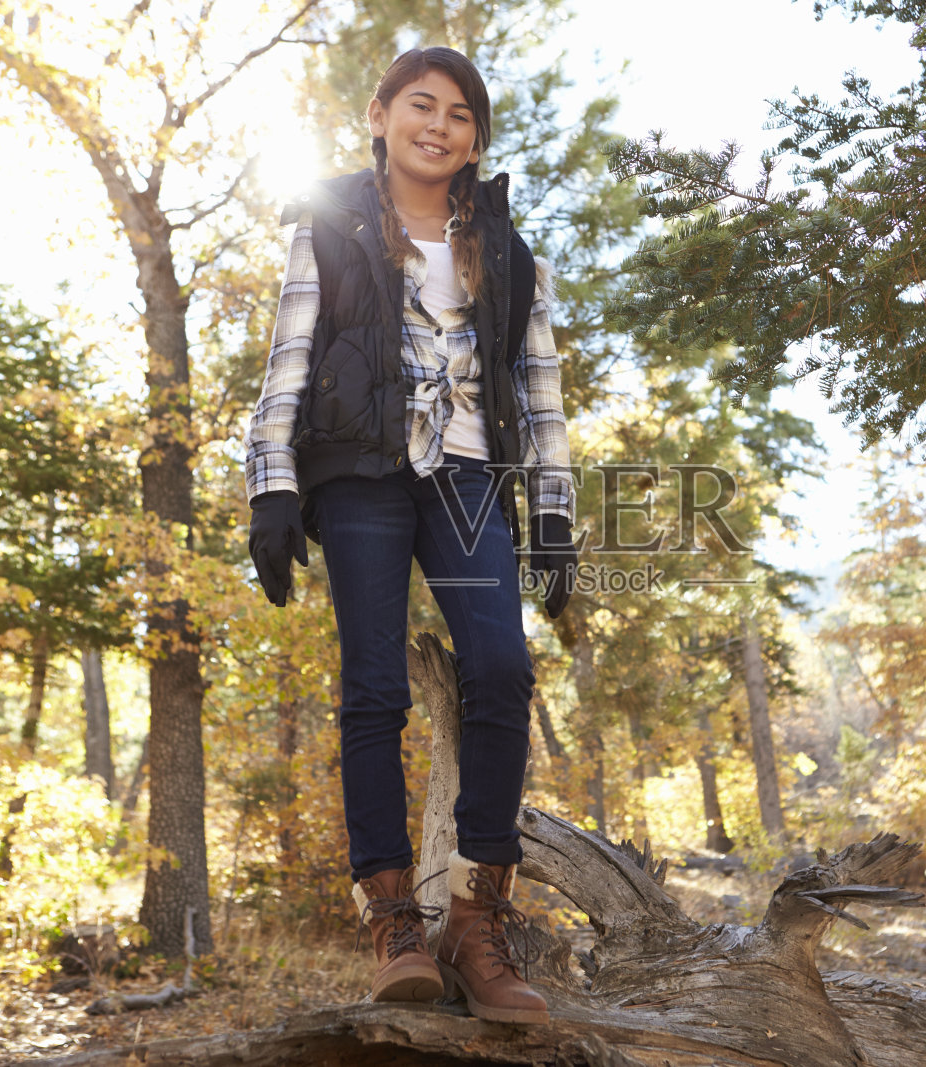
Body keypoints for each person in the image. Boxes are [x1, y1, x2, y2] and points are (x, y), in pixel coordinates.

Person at [242, 46, 577, 1025]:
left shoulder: (509, 249)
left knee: (500, 668)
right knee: (374, 687)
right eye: (421, 105)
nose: (440, 125)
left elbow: (540, 390)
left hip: (470, 479)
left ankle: (477, 922)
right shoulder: (332, 228)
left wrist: (553, 512)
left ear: (477, 137)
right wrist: (270, 486)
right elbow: (288, 356)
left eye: (461, 114)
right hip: (360, 475)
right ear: (380, 117)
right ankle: (392, 919)